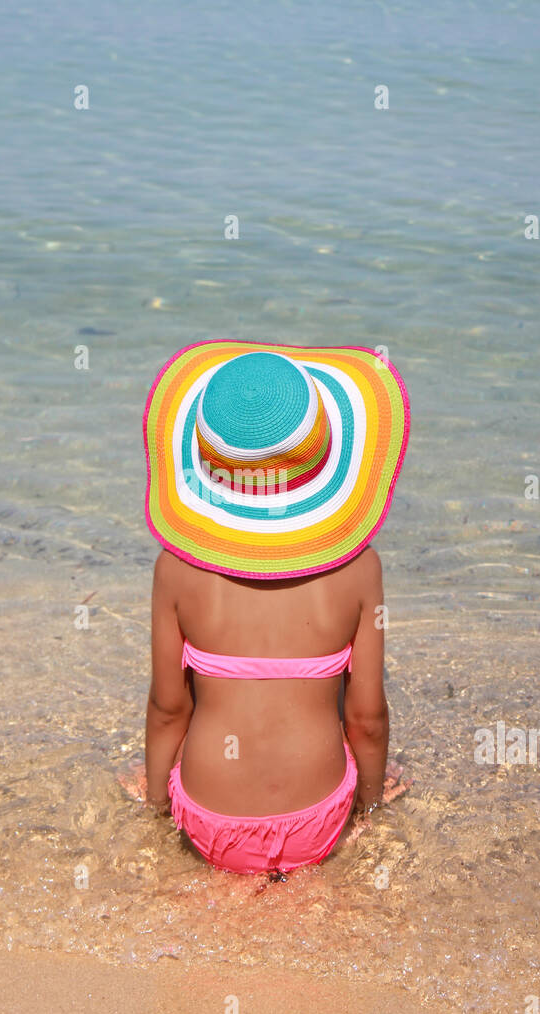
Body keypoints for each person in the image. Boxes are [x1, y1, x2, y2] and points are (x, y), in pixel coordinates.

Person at [140, 340, 410, 875]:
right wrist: (370, 810)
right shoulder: (359, 569)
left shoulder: (175, 569)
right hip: (319, 820)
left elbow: (169, 708)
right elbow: (367, 718)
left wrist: (154, 807)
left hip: (207, 820)